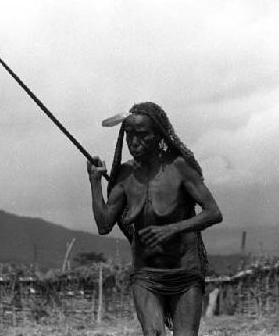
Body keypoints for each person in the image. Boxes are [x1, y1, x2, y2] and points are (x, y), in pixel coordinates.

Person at [87, 102, 222, 336]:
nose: (133, 141)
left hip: (185, 272)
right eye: (129, 134)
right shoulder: (125, 174)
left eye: (142, 135)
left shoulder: (179, 167)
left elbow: (213, 212)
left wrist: (173, 229)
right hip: (146, 274)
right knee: (153, 334)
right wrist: (95, 183)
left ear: (158, 135)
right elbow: (103, 225)